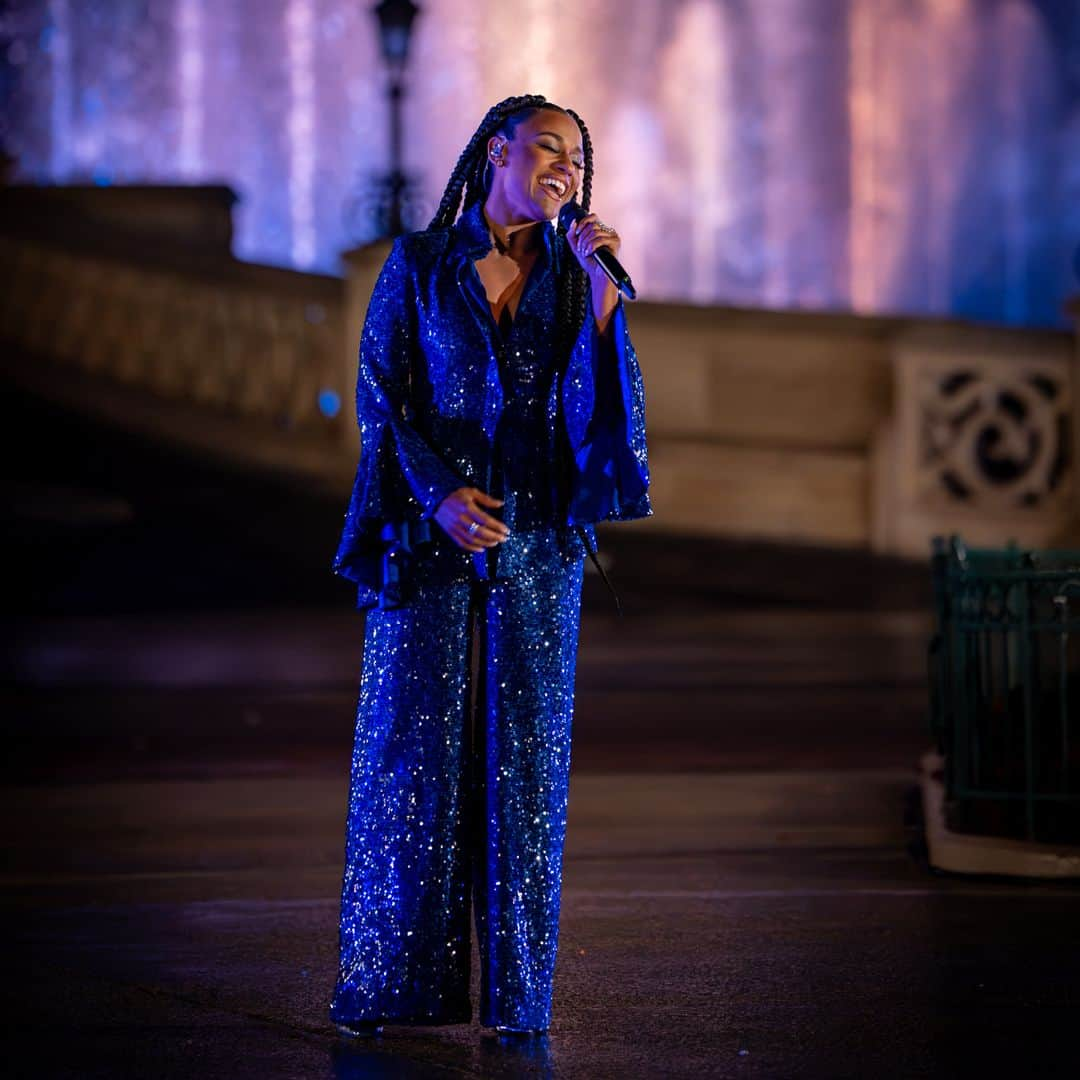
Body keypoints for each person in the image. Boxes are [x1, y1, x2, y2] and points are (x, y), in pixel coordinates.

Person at [328, 93, 650, 1039]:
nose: (563, 168)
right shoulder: (421, 265)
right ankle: (387, 986)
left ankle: (519, 1002)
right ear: (498, 151)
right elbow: (382, 398)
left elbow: (599, 423)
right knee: (411, 753)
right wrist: (435, 495)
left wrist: (599, 301)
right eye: (548, 148)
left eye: (576, 160)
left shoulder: (574, 275)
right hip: (428, 545)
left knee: (527, 769)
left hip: (540, 546)